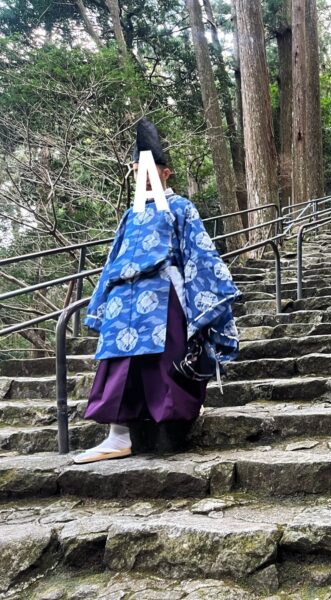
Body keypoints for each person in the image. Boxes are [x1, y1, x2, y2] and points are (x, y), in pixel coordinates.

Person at [73, 119, 241, 464]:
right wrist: (102, 300)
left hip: (164, 294)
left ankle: (171, 433)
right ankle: (118, 435)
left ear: (167, 173)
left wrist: (205, 303)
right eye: (136, 171)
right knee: (117, 366)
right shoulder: (129, 215)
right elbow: (113, 258)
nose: (142, 177)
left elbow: (200, 253)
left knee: (167, 363)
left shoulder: (181, 207)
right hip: (124, 300)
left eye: (148, 170)